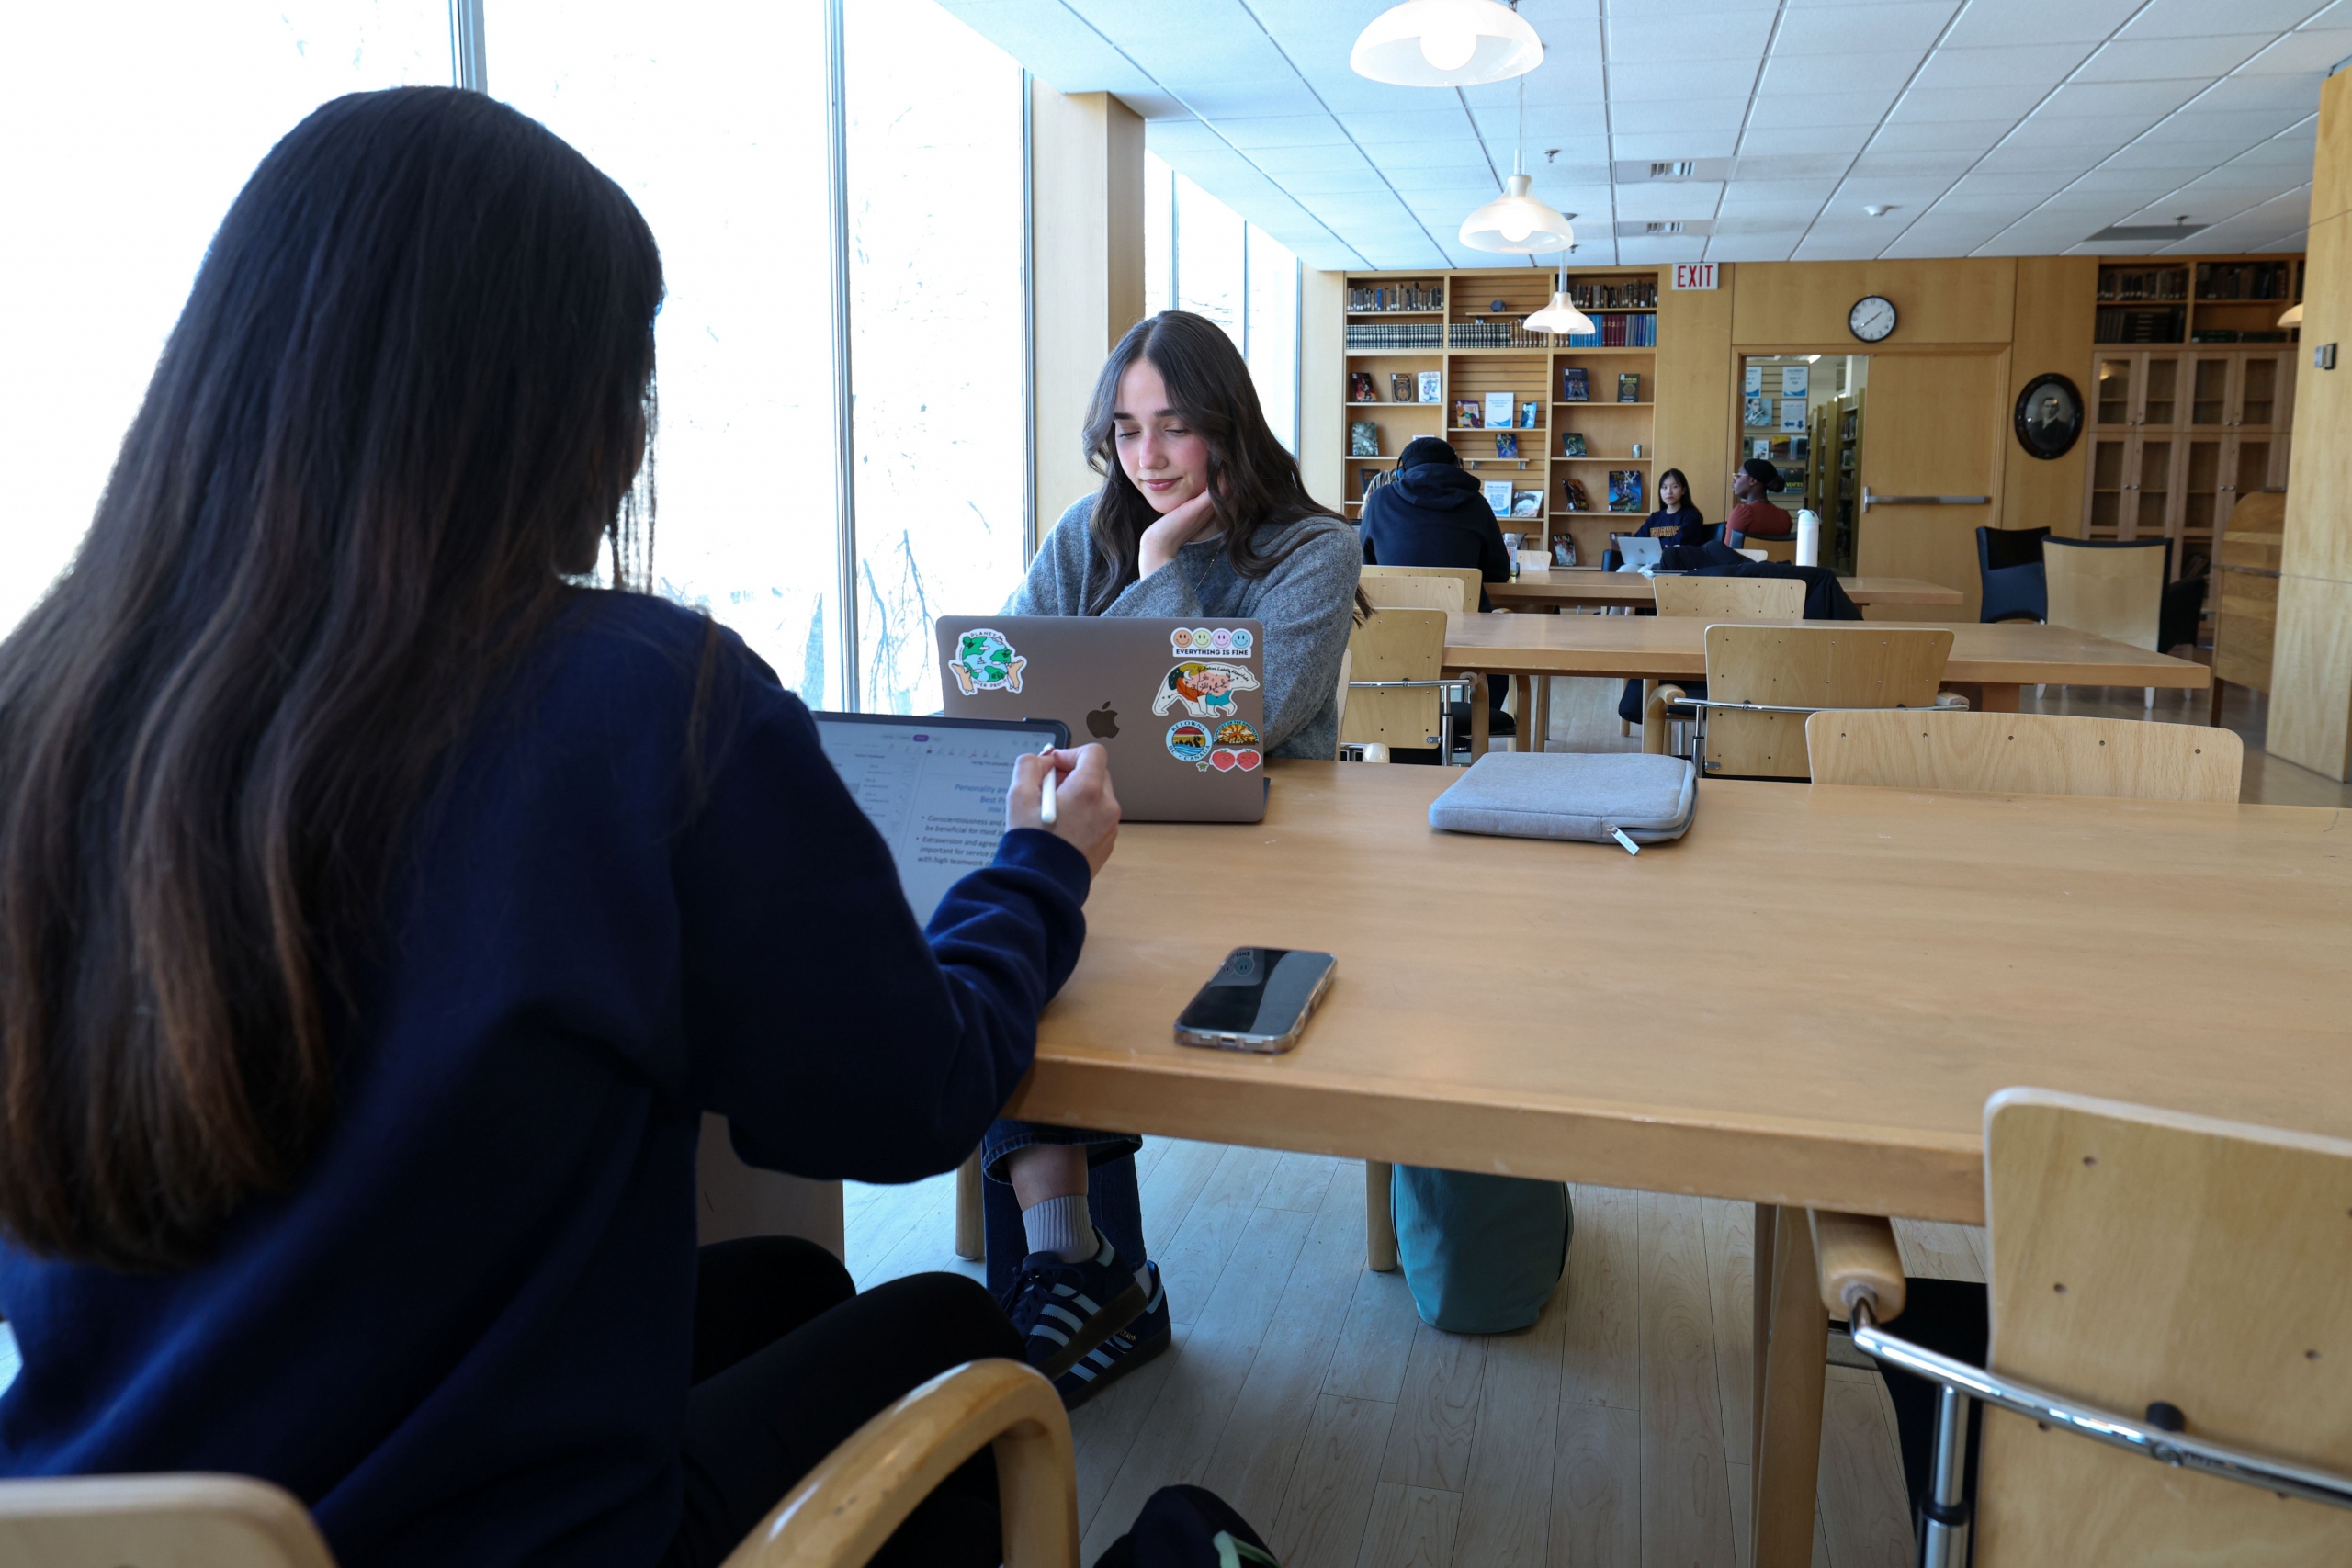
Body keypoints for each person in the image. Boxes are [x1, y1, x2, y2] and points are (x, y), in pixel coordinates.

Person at [0, 88, 1122, 1568]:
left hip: (115, 1512)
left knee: (783, 1280)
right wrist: (1041, 869)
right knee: (953, 1322)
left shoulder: (47, 703)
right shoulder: (636, 701)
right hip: (494, 1537)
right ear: (551, 405)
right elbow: (910, 1099)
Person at [988, 310, 1362, 1404]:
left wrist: (1159, 568)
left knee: (1060, 949)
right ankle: (1073, 1268)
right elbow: (1010, 677)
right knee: (1021, 943)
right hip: (1105, 843)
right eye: (1127, 428)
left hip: (1260, 862)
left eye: (1174, 427)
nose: (1146, 457)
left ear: (1226, 428)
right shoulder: (1081, 530)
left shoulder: (1311, 548)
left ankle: (1080, 1273)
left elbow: (1238, 728)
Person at [1356, 434, 1514, 742]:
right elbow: (1499, 572)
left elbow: (1367, 570)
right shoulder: (1477, 504)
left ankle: (1394, 727)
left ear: (1401, 471)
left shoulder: (1380, 501)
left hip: (1392, 639)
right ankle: (1476, 726)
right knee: (1499, 642)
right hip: (1466, 639)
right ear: (1458, 468)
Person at [1724, 457, 1793, 547]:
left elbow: (1726, 552)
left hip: (1744, 560)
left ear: (1752, 480)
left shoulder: (1742, 512)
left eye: (1739, 476)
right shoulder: (1785, 517)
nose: (1734, 480)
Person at [1636, 468, 1711, 547]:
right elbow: (1637, 541)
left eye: (1674, 487)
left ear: (1683, 490)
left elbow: (1680, 540)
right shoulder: (1654, 517)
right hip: (1653, 558)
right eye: (1664, 487)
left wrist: (1654, 545)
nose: (1669, 492)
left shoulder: (1692, 516)